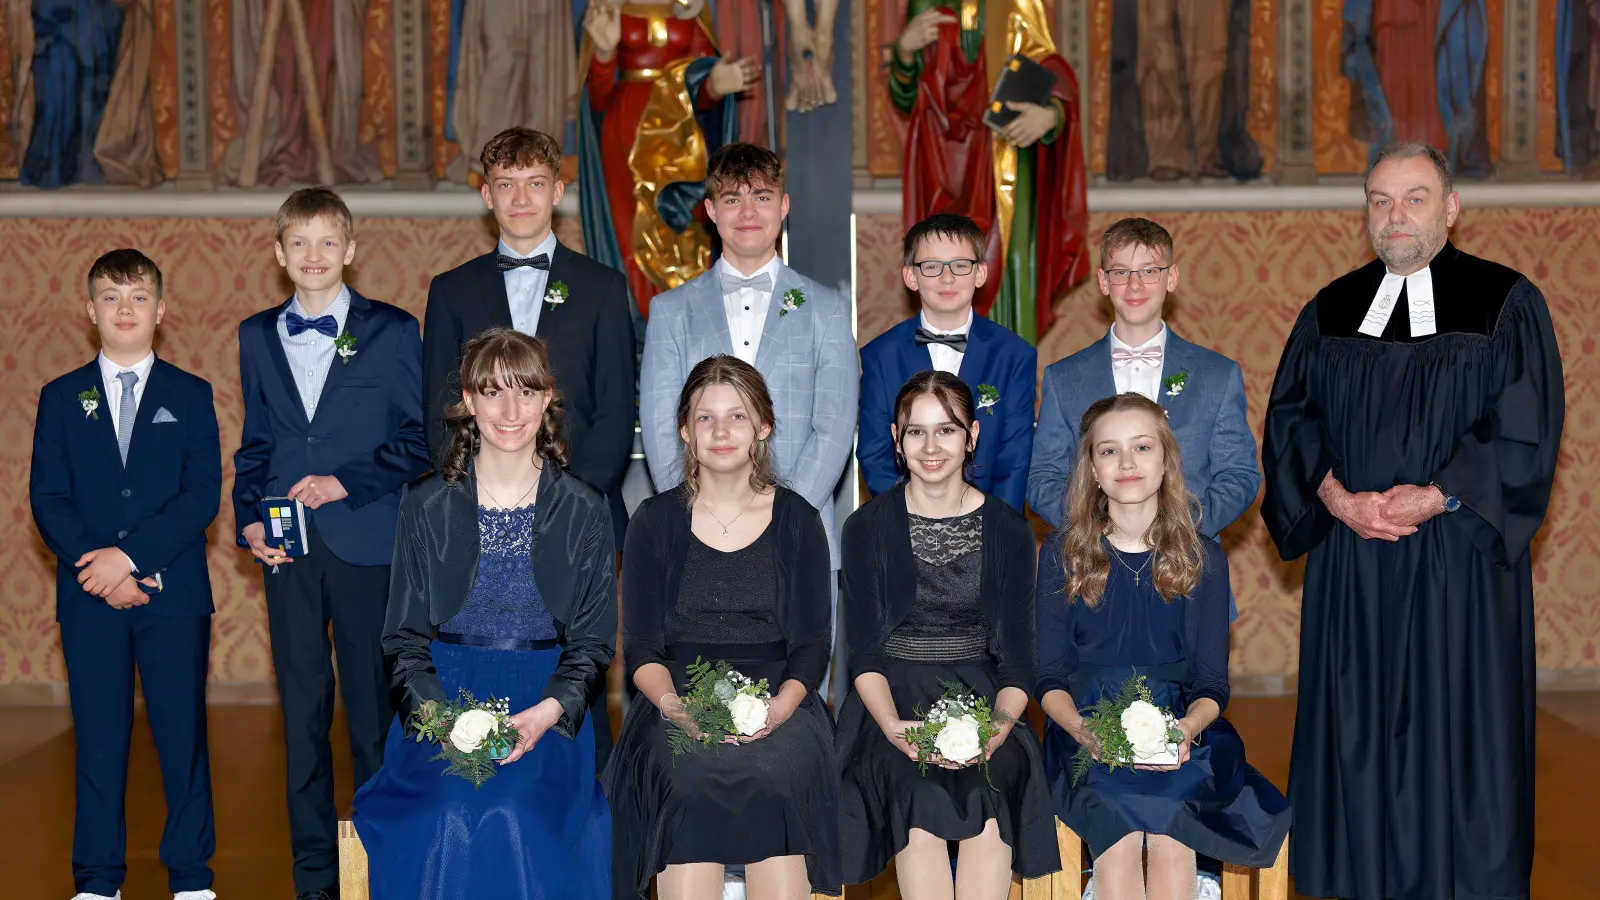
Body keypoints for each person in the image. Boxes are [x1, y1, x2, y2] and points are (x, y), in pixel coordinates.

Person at [1263, 142, 1564, 900]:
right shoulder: (1329, 310)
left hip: (1459, 562)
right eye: (1380, 201)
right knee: (1356, 726)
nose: (1395, 216)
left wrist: (1438, 494)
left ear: (1451, 208)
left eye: (1415, 198)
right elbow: (1291, 424)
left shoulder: (1506, 303)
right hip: (1355, 562)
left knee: (1461, 728)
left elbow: (1525, 430)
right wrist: (1337, 500)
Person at [354, 328, 615, 900]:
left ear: (548, 398)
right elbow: (402, 638)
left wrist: (546, 714)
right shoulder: (425, 504)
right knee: (448, 812)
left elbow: (593, 643)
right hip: (443, 699)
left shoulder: (585, 508)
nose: (510, 411)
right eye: (493, 393)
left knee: (514, 812)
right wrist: (439, 719)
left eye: (526, 391)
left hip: (545, 705)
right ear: (468, 402)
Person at [233, 188, 430, 900]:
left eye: (326, 242)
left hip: (367, 543)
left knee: (374, 717)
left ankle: (380, 869)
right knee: (302, 714)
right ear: (278, 252)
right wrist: (249, 519)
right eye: (299, 243)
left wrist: (344, 482)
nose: (312, 256)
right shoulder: (255, 335)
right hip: (288, 551)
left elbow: (420, 440)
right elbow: (256, 445)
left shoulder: (393, 330)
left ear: (350, 249)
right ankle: (314, 876)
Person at [1036, 393, 1289, 900]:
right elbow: (1049, 677)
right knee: (1118, 824)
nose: (1126, 462)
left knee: (1174, 821)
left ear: (1166, 459)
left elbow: (1212, 684)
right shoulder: (1064, 554)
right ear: (1092, 469)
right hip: (1084, 726)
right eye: (1109, 450)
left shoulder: (1203, 557)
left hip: (1180, 725)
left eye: (1142, 446)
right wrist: (1084, 731)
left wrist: (1186, 730)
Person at [607, 355, 841, 900]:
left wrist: (780, 707)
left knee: (776, 776)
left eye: (737, 416)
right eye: (705, 418)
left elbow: (813, 644)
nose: (720, 432)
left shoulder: (799, 520)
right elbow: (641, 648)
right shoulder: (653, 522)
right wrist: (675, 709)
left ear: (763, 427)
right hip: (674, 699)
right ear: (685, 431)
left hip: (781, 700)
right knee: (686, 779)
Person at [30, 249, 221, 900]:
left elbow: (201, 495)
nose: (125, 309)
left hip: (175, 598)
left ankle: (191, 877)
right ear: (90, 311)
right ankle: (97, 878)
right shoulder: (61, 397)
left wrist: (131, 560)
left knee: (183, 738)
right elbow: (48, 497)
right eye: (110, 297)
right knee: (98, 740)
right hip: (89, 599)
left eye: (139, 297)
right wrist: (101, 569)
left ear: (161, 310)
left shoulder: (191, 394)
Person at [638, 142, 856, 695]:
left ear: (784, 205)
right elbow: (664, 426)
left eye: (762, 196)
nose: (748, 211)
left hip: (799, 538)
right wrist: (695, 516)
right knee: (691, 703)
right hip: (696, 538)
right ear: (710, 210)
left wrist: (784, 521)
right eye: (733, 199)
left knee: (796, 699)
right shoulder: (670, 310)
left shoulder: (827, 309)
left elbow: (833, 428)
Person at [836, 371, 1058, 896]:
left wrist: (995, 731)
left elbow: (1019, 659)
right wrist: (896, 729)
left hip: (985, 698)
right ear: (896, 439)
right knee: (918, 797)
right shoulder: (865, 528)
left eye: (947, 430)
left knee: (992, 789)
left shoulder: (1010, 530)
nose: (931, 447)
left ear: (971, 436)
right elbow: (863, 654)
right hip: (888, 700)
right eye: (916, 432)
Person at [423, 128, 637, 563]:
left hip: (581, 515)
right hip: (477, 518)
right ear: (488, 196)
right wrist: (480, 500)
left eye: (535, 183)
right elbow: (439, 410)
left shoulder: (604, 288)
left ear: (557, 191)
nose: (521, 198)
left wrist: (571, 504)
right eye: (506, 185)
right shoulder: (451, 290)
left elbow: (615, 412)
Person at [1028, 217, 1257, 614]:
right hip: (1092, 578)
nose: (1135, 285)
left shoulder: (1217, 375)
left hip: (1190, 574)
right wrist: (1098, 530)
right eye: (1121, 272)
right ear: (1103, 282)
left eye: (1149, 271)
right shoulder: (1063, 378)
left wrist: (1178, 528)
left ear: (1172, 278)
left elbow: (1240, 476)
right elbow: (1041, 479)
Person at [889, 0, 1088, 342]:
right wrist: (905, 53)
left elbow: (1047, 65)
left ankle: (1012, 367)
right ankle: (950, 369)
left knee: (1012, 269)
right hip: (944, 164)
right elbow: (909, 98)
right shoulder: (926, 4)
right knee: (946, 264)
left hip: (1008, 157)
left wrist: (1051, 113)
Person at [577, 0, 758, 317]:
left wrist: (716, 85)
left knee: (684, 221)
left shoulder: (691, 6)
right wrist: (603, 54)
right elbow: (598, 97)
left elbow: (701, 87)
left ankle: (686, 317)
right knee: (631, 229)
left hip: (681, 136)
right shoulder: (609, 7)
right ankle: (639, 322)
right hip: (627, 134)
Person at [858, 214, 1037, 514]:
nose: (947, 278)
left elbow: (1015, 460)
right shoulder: (881, 355)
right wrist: (912, 523)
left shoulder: (1014, 355)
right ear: (911, 277)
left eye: (960, 265)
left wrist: (992, 528)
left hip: (990, 522)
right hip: (904, 523)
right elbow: (875, 454)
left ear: (980, 273)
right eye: (932, 266)